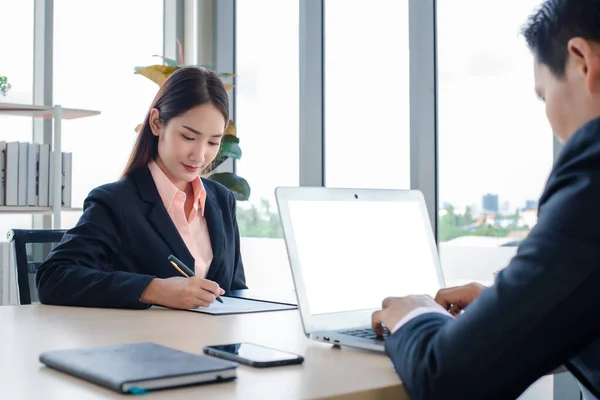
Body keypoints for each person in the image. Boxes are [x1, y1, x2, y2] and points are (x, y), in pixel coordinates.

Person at [371, 0, 600, 398]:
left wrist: (414, 315)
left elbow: (448, 378)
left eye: (544, 96)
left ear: (582, 61)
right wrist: (511, 310)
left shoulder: (593, 170)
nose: (550, 117)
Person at [36, 67, 247, 310]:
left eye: (213, 142)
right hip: (145, 344)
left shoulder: (221, 200)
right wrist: (153, 289)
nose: (199, 156)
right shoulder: (116, 202)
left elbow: (235, 289)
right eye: (188, 137)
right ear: (157, 123)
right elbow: (52, 278)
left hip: (213, 344)